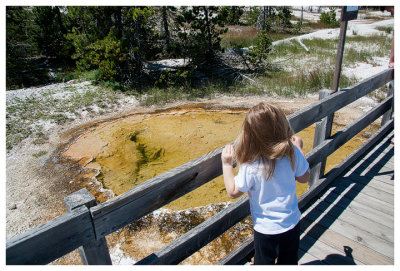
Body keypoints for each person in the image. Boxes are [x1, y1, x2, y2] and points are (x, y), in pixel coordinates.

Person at [221, 102, 310, 265]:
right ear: (283, 126)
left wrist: (227, 165)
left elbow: (233, 192)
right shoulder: (293, 153)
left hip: (265, 228)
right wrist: (299, 149)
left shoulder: (251, 165)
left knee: (264, 262)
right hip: (291, 222)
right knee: (288, 261)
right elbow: (304, 178)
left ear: (250, 135)